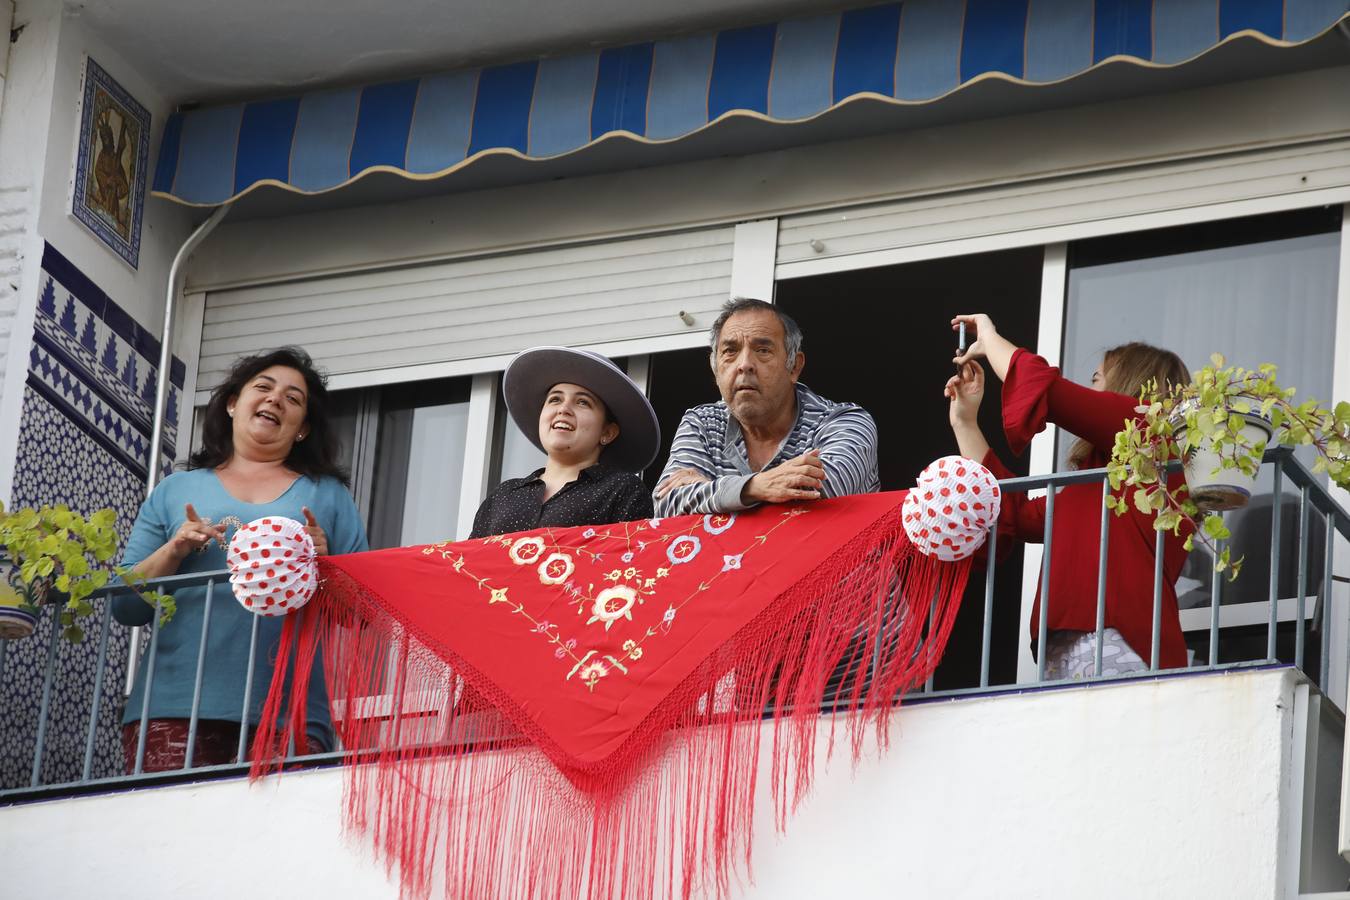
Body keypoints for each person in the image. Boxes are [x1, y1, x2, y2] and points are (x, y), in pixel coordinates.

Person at [114, 347, 367, 772]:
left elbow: (362, 612)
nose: (275, 400)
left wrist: (327, 567)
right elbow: (126, 606)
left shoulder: (328, 496)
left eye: (293, 398)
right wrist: (174, 548)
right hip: (174, 703)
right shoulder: (175, 491)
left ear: (302, 429)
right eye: (263, 388)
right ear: (233, 403)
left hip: (290, 711)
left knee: (273, 840)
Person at [944, 313, 1192, 677]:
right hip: (1066, 650)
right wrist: (964, 422)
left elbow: (1049, 391)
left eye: (1097, 379)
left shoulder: (1149, 436)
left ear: (1130, 384)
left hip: (1119, 641)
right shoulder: (1093, 484)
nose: (1088, 391)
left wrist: (990, 338)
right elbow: (1009, 511)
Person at [654, 298, 879, 517]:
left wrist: (715, 493)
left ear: (794, 367)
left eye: (762, 350)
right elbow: (666, 506)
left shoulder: (845, 422)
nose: (744, 365)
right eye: (730, 351)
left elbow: (820, 495)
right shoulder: (701, 423)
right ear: (715, 370)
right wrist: (755, 487)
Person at [469, 347, 658, 538]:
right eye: (555, 399)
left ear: (607, 432)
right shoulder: (504, 495)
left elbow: (630, 560)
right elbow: (465, 562)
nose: (563, 409)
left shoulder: (622, 490)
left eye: (583, 402)